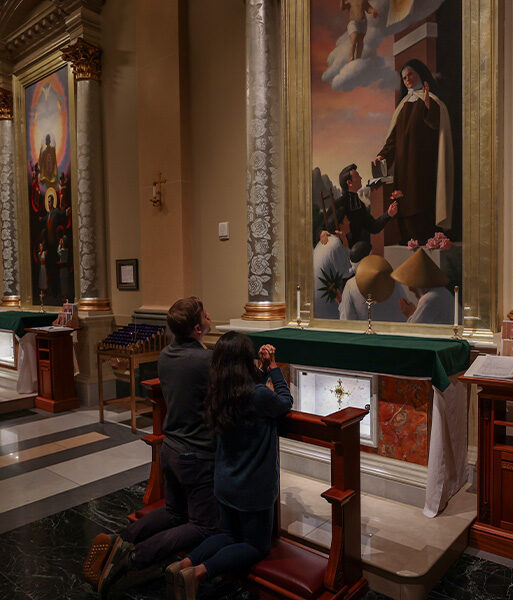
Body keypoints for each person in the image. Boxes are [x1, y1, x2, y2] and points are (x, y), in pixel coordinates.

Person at [84, 297, 220, 598]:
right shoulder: (205, 360)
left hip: (170, 448)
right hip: (196, 454)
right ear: (198, 328)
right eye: (205, 314)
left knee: (174, 513)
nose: (210, 315)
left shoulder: (166, 354)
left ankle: (120, 538)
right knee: (204, 525)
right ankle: (132, 557)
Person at [165, 332, 293, 600]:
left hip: (225, 480)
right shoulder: (258, 396)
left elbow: (249, 390)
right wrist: (274, 370)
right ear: (245, 362)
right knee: (257, 546)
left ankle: (183, 564)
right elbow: (283, 402)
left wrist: (262, 369)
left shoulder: (218, 392)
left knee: (230, 535)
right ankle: (199, 572)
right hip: (252, 487)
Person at [375, 59, 454, 244]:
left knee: (421, 205)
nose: (407, 79)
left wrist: (427, 105)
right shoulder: (402, 107)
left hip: (422, 166)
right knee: (405, 206)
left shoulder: (432, 102)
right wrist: (383, 155)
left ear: (419, 74)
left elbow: (435, 125)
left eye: (410, 74)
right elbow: (393, 139)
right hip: (404, 169)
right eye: (403, 78)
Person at [339, 243, 408, 322]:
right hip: (392, 331)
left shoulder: (350, 285)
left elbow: (346, 319)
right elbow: (405, 311)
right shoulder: (391, 277)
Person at [391, 248, 454, 324]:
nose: (410, 289)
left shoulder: (429, 298)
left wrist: (409, 313)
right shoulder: (441, 292)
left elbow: (414, 327)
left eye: (411, 284)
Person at [314, 206, 353, 319]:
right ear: (340, 225)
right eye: (346, 219)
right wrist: (358, 266)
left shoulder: (329, 241)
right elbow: (346, 272)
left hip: (318, 298)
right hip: (326, 302)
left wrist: (345, 242)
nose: (349, 222)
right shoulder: (335, 243)